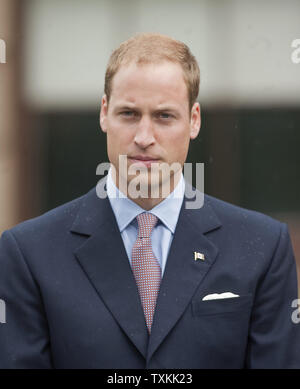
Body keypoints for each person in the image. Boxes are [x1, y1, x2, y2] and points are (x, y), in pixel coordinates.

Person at [0, 33, 299, 369]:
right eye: (128, 114)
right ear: (104, 113)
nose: (144, 138)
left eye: (164, 116)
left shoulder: (261, 247)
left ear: (194, 120)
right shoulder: (28, 254)